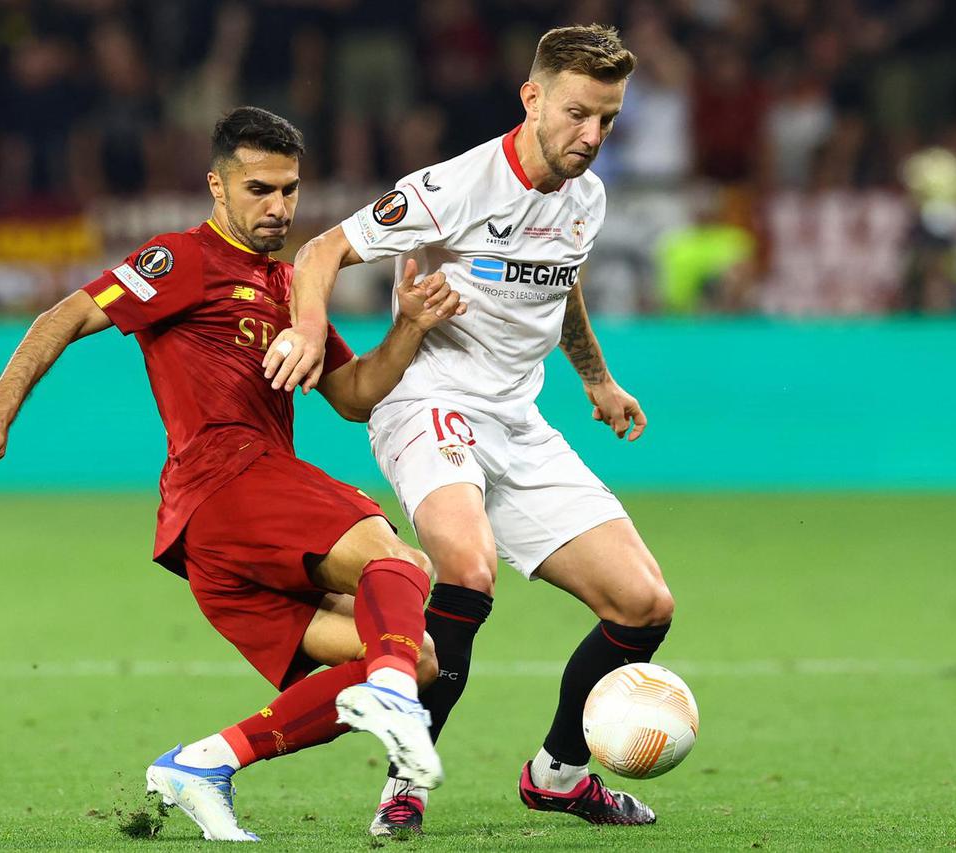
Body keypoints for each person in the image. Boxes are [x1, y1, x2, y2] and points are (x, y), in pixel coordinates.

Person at [0, 107, 467, 842]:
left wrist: (406, 328)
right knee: (398, 560)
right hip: (226, 480)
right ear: (217, 185)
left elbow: (352, 396)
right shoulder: (180, 260)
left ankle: (204, 763)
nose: (278, 207)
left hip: (218, 538)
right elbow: (63, 315)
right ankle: (396, 701)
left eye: (290, 190)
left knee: (416, 654)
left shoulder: (286, 287)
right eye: (259, 189)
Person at [265, 25, 675, 835]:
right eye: (577, 113)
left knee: (644, 605)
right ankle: (405, 781)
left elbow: (562, 287)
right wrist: (310, 331)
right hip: (427, 400)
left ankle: (557, 774)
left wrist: (594, 376)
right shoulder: (452, 187)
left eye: (609, 120)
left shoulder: (584, 197)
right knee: (467, 567)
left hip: (517, 419)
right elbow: (317, 252)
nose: (590, 136)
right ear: (532, 98)